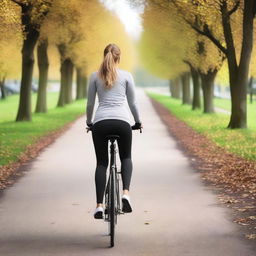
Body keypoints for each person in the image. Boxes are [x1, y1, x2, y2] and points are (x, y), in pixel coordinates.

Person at [86, 43, 142, 219]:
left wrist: (90, 122)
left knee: (101, 163)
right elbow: (133, 103)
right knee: (126, 157)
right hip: (122, 123)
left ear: (104, 56)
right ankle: (125, 192)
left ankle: (99, 206)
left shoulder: (94, 76)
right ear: (119, 57)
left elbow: (89, 104)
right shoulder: (126, 76)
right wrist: (138, 121)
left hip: (101, 123)